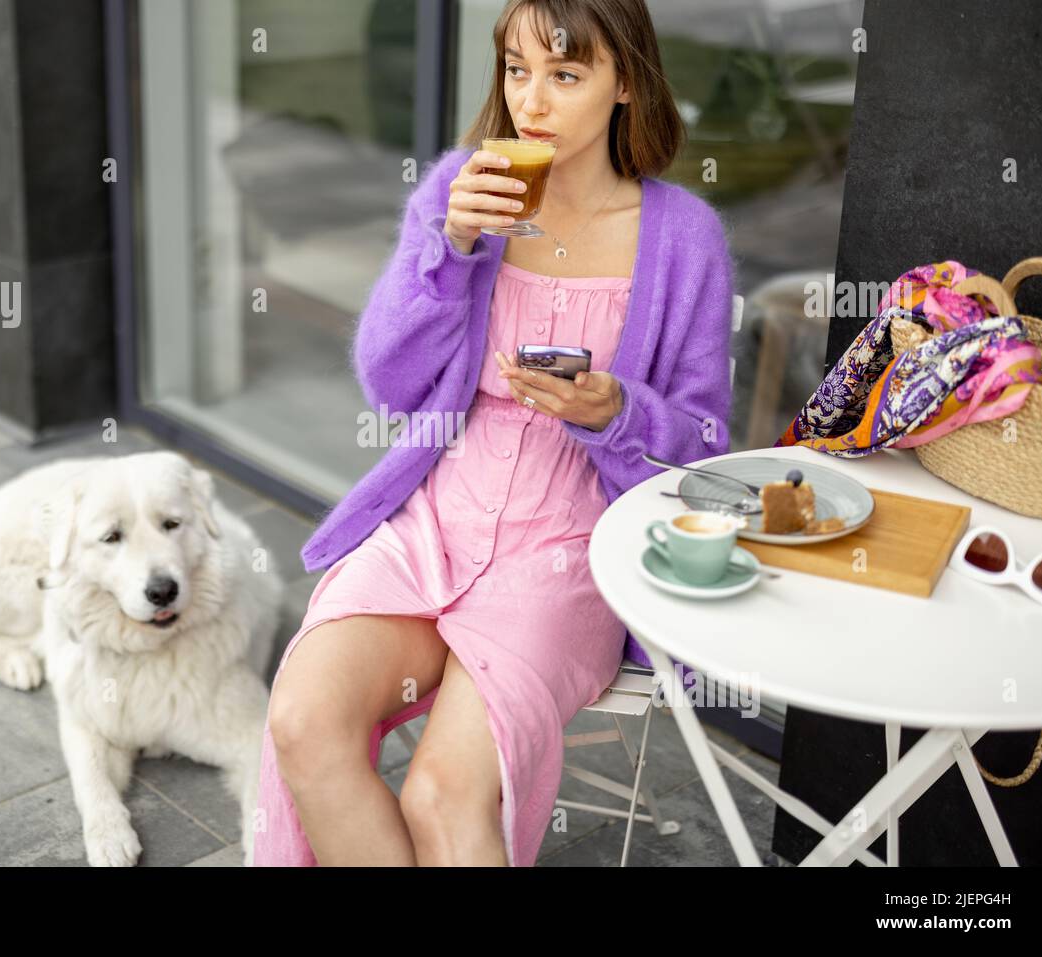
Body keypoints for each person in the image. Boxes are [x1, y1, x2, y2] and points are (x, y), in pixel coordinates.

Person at [253, 0, 735, 866]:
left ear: (625, 83)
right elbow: (391, 380)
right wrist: (451, 247)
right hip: (435, 519)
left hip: (569, 544)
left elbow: (699, 447)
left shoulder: (683, 239)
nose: (532, 102)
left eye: (565, 74)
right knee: (302, 718)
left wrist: (615, 411)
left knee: (443, 793)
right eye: (517, 70)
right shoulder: (458, 193)